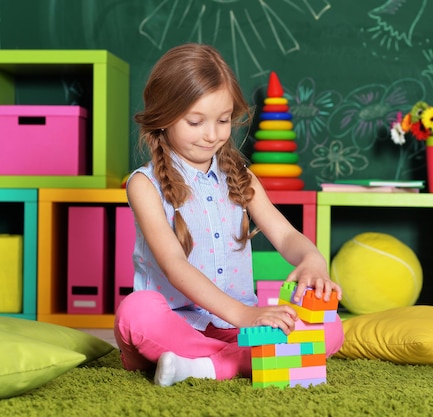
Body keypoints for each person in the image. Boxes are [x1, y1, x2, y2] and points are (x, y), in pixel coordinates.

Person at [114, 43, 344, 386]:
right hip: (177, 324)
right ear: (163, 117)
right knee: (136, 312)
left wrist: (312, 259)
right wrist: (246, 314)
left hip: (236, 330)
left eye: (223, 121)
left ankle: (205, 366)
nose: (212, 135)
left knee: (332, 328)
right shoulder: (144, 185)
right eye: (195, 122)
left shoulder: (240, 176)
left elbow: (283, 235)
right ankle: (245, 363)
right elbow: (175, 266)